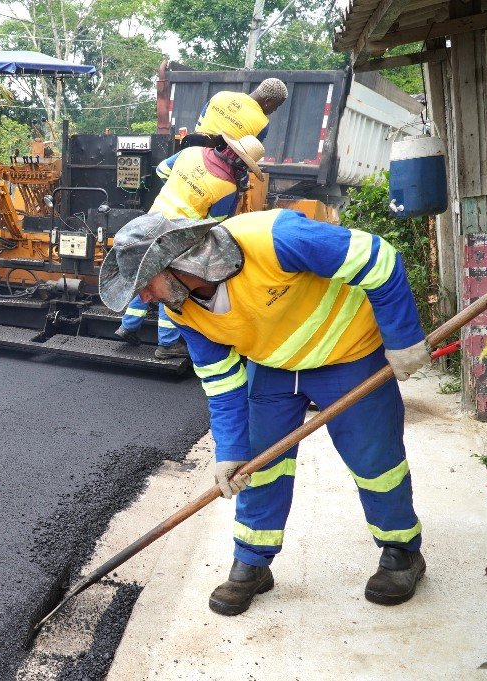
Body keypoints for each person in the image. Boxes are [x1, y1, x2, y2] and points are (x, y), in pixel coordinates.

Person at [99, 208, 431, 616]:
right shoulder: (182, 310)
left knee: (375, 462)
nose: (143, 298)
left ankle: (401, 551)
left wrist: (403, 338)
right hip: (273, 370)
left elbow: (377, 257)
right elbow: (222, 385)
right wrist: (230, 451)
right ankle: (252, 562)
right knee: (258, 464)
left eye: (143, 285)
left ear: (176, 263)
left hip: (350, 355)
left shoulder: (274, 239)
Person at [115, 134, 265, 360]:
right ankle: (167, 344)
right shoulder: (227, 186)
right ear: (243, 164)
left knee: (147, 275)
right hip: (178, 236)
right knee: (171, 285)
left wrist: (180, 190)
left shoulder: (191, 152)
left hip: (153, 222)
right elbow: (216, 223)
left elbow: (162, 171)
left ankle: (128, 325)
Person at [182, 78, 288, 149]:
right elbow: (248, 157)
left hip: (191, 152)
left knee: (165, 169)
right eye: (276, 106)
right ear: (268, 101)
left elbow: (199, 125)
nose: (274, 110)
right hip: (219, 169)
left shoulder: (221, 95)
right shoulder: (263, 124)